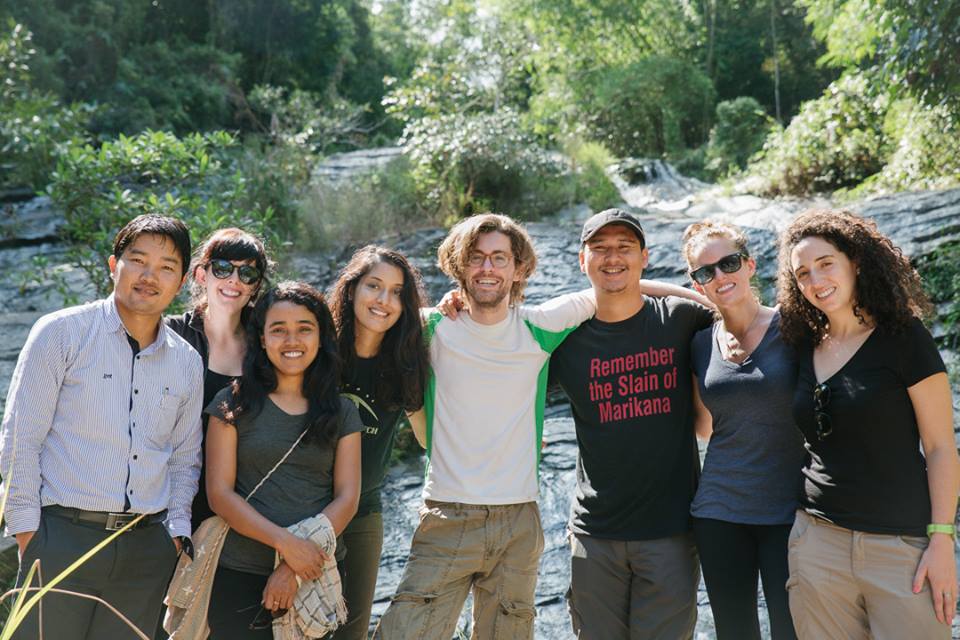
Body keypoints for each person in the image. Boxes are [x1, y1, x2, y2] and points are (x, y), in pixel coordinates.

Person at [373, 213, 598, 640]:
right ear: (459, 267)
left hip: (520, 523)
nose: (488, 269)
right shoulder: (432, 327)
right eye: (476, 258)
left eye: (499, 258)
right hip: (446, 514)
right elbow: (366, 318)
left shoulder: (540, 326)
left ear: (519, 268)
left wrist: (710, 300)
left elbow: (618, 291)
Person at [0, 214, 203, 639]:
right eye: (138, 260)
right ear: (114, 266)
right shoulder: (60, 334)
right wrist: (28, 536)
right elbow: (21, 440)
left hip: (145, 550)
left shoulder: (186, 361)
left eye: (166, 267)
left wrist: (176, 533)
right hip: (60, 540)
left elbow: (185, 459)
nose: (150, 276)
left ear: (181, 281)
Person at [778, 208, 959, 639]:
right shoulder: (803, 342)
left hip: (901, 550)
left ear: (855, 262)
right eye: (802, 273)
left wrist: (942, 540)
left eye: (826, 264)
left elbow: (940, 447)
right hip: (817, 545)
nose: (816, 281)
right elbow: (727, 305)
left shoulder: (905, 339)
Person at [549, 208, 714, 640]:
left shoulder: (679, 319)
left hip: (671, 532)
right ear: (581, 259)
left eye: (624, 248)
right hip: (594, 533)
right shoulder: (563, 337)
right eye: (599, 249)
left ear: (644, 256)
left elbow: (726, 307)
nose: (612, 257)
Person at [204, 281, 362, 639]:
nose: (292, 341)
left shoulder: (342, 411)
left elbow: (347, 499)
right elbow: (219, 494)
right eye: (278, 330)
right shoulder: (233, 404)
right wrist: (286, 545)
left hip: (318, 573)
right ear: (261, 339)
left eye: (304, 329)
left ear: (321, 337)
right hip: (241, 573)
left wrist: (293, 566)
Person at [682, 220, 804, 639]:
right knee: (735, 633)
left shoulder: (796, 327)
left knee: (792, 630)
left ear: (750, 265)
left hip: (788, 510)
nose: (719, 276)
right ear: (697, 285)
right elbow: (704, 427)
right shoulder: (700, 343)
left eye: (729, 263)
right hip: (718, 512)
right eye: (705, 273)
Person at [327, 246, 430, 640]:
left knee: (350, 631)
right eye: (374, 286)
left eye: (397, 292)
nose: (384, 300)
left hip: (363, 514)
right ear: (352, 289)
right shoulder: (320, 349)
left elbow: (426, 438)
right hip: (302, 507)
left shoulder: (405, 361)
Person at [166, 227, 270, 531]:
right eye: (223, 268)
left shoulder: (266, 345)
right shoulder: (171, 334)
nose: (234, 280)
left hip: (247, 502)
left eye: (247, 273)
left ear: (256, 285)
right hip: (173, 498)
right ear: (201, 275)